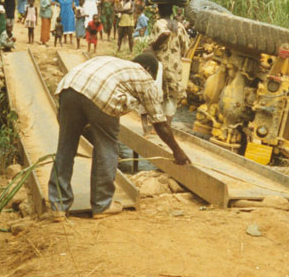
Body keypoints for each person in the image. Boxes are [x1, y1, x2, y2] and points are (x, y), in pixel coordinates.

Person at [48, 54, 190, 221]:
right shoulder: (144, 76)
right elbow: (160, 123)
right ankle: (102, 205)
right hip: (101, 93)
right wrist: (177, 150)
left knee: (65, 148)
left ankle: (58, 206)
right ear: (149, 69)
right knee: (107, 146)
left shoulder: (114, 63)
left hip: (69, 87)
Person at [150, 4, 190, 123]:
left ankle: (158, 124)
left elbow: (152, 42)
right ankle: (167, 124)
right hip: (175, 65)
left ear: (160, 11)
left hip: (160, 64)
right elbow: (185, 47)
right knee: (172, 96)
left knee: (159, 93)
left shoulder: (158, 24)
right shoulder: (180, 26)